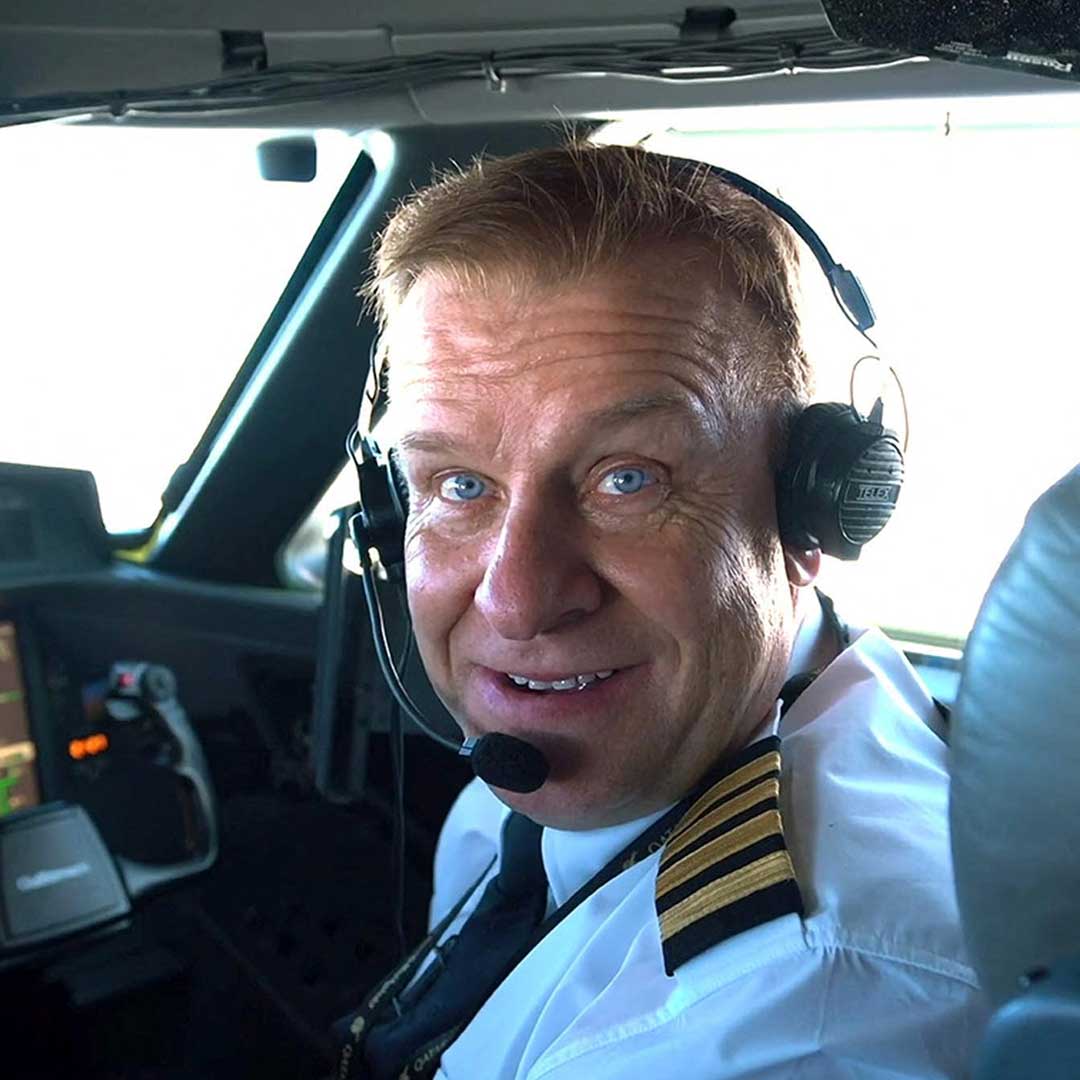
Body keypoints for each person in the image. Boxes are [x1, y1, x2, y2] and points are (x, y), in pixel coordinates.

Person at [343, 142, 987, 1078]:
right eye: (457, 485)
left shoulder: (796, 1010)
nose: (517, 600)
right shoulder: (527, 806)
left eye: (627, 479)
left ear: (817, 508)